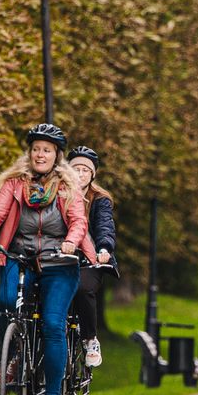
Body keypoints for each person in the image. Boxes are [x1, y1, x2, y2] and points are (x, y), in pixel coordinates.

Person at [0, 123, 93, 395]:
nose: (40, 154)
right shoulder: (15, 183)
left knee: (52, 324)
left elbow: (78, 222)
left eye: (46, 150)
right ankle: (12, 357)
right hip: (20, 257)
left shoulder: (67, 187)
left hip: (59, 263)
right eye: (36, 149)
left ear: (56, 155)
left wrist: (69, 243)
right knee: (7, 302)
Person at [68, 146, 116, 368]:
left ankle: (90, 339)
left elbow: (105, 226)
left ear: (92, 174)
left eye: (85, 170)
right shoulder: (59, 194)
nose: (80, 174)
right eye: (75, 169)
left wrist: (104, 249)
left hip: (91, 260)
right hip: (61, 258)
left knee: (83, 288)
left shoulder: (100, 199)